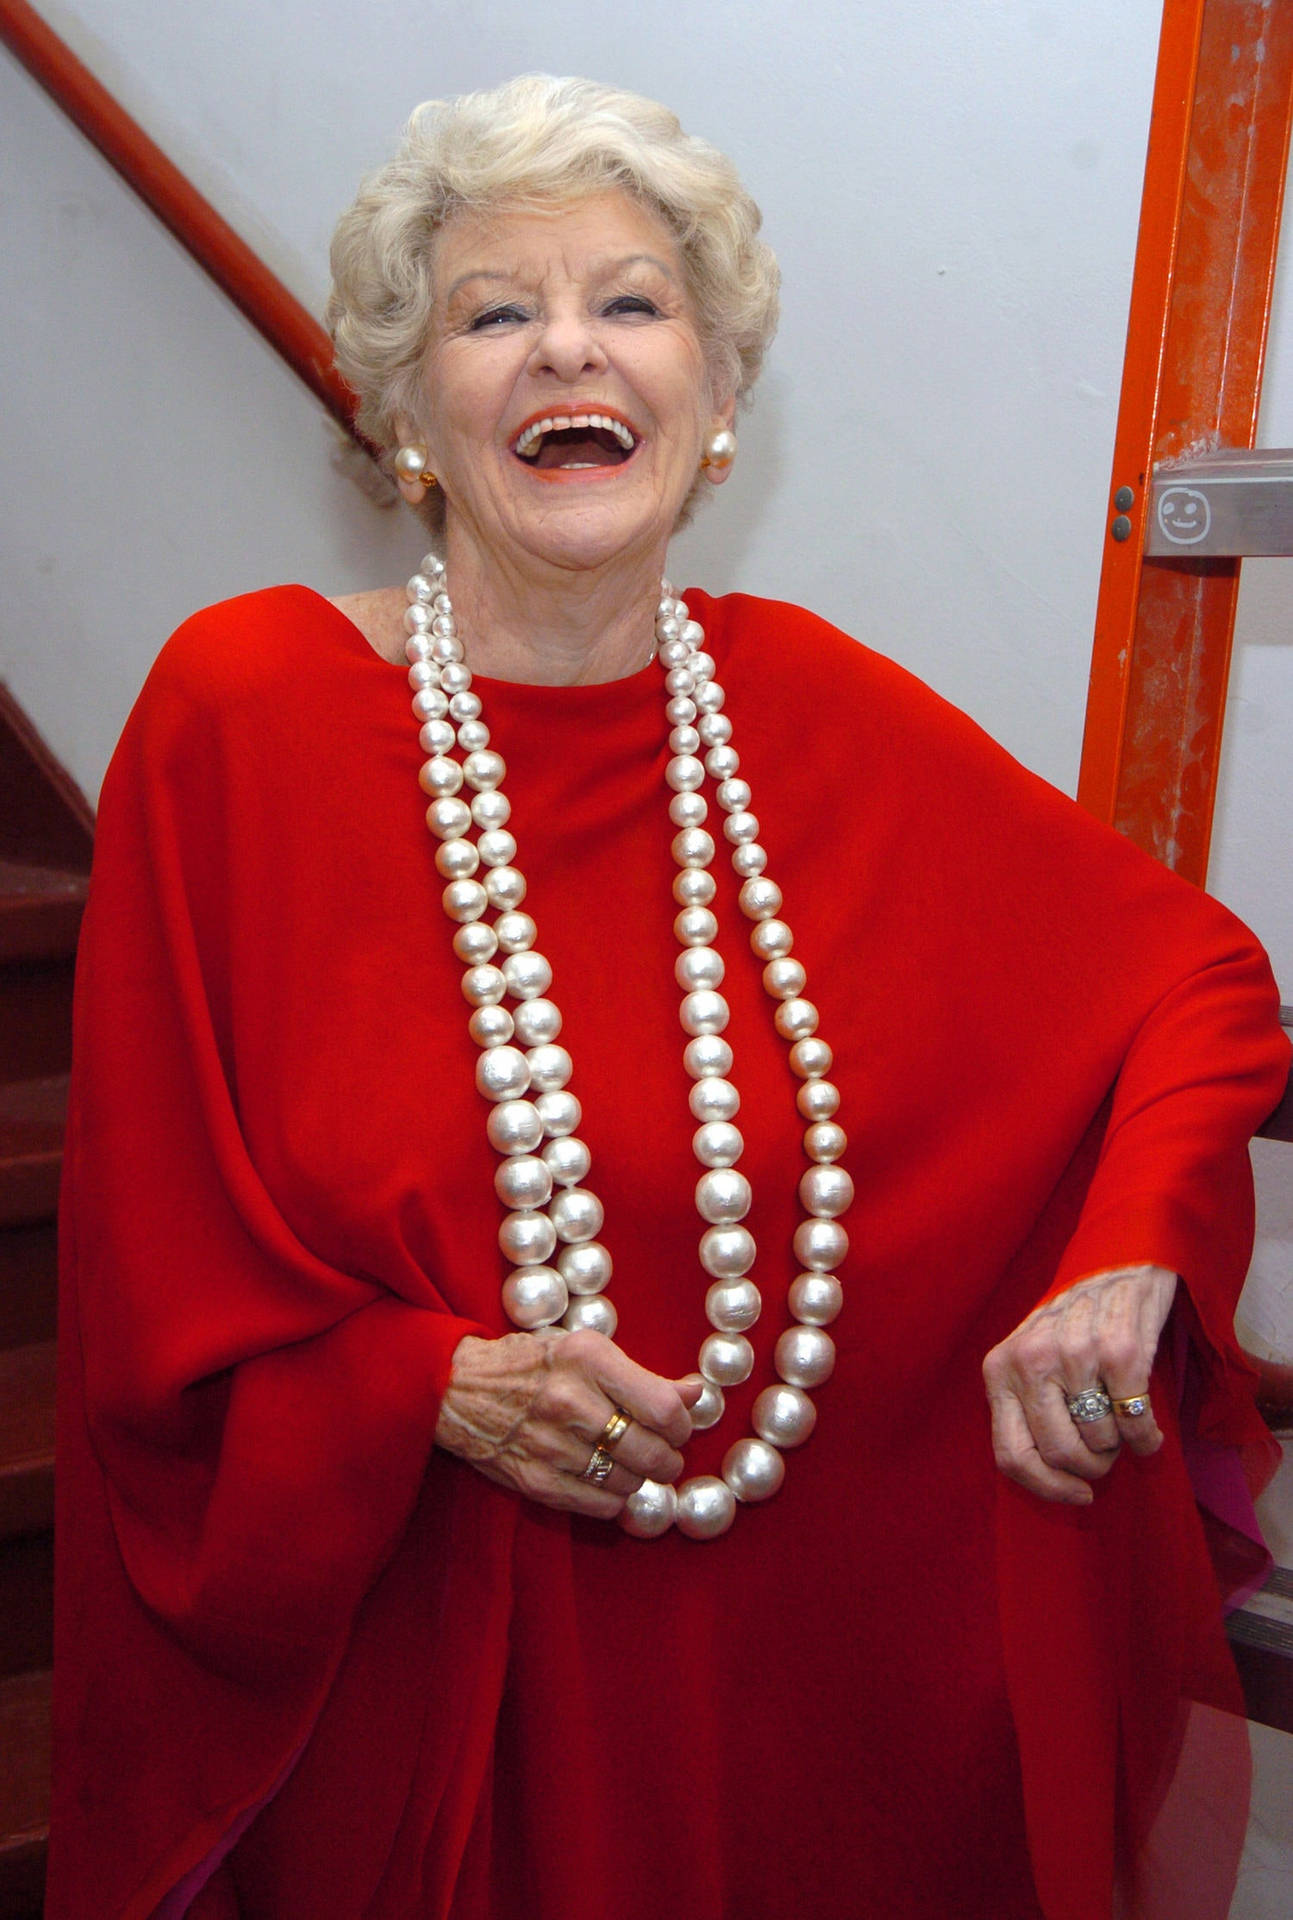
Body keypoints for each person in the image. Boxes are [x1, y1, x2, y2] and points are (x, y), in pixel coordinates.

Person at [49, 74, 1288, 1920]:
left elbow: (1191, 981)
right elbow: (153, 1263)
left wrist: (1126, 1255)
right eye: (494, 313)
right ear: (405, 408)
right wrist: (427, 1384)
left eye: (630, 303)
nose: (570, 352)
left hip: (805, 1680)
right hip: (424, 1666)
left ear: (712, 401)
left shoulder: (808, 706)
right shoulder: (239, 716)